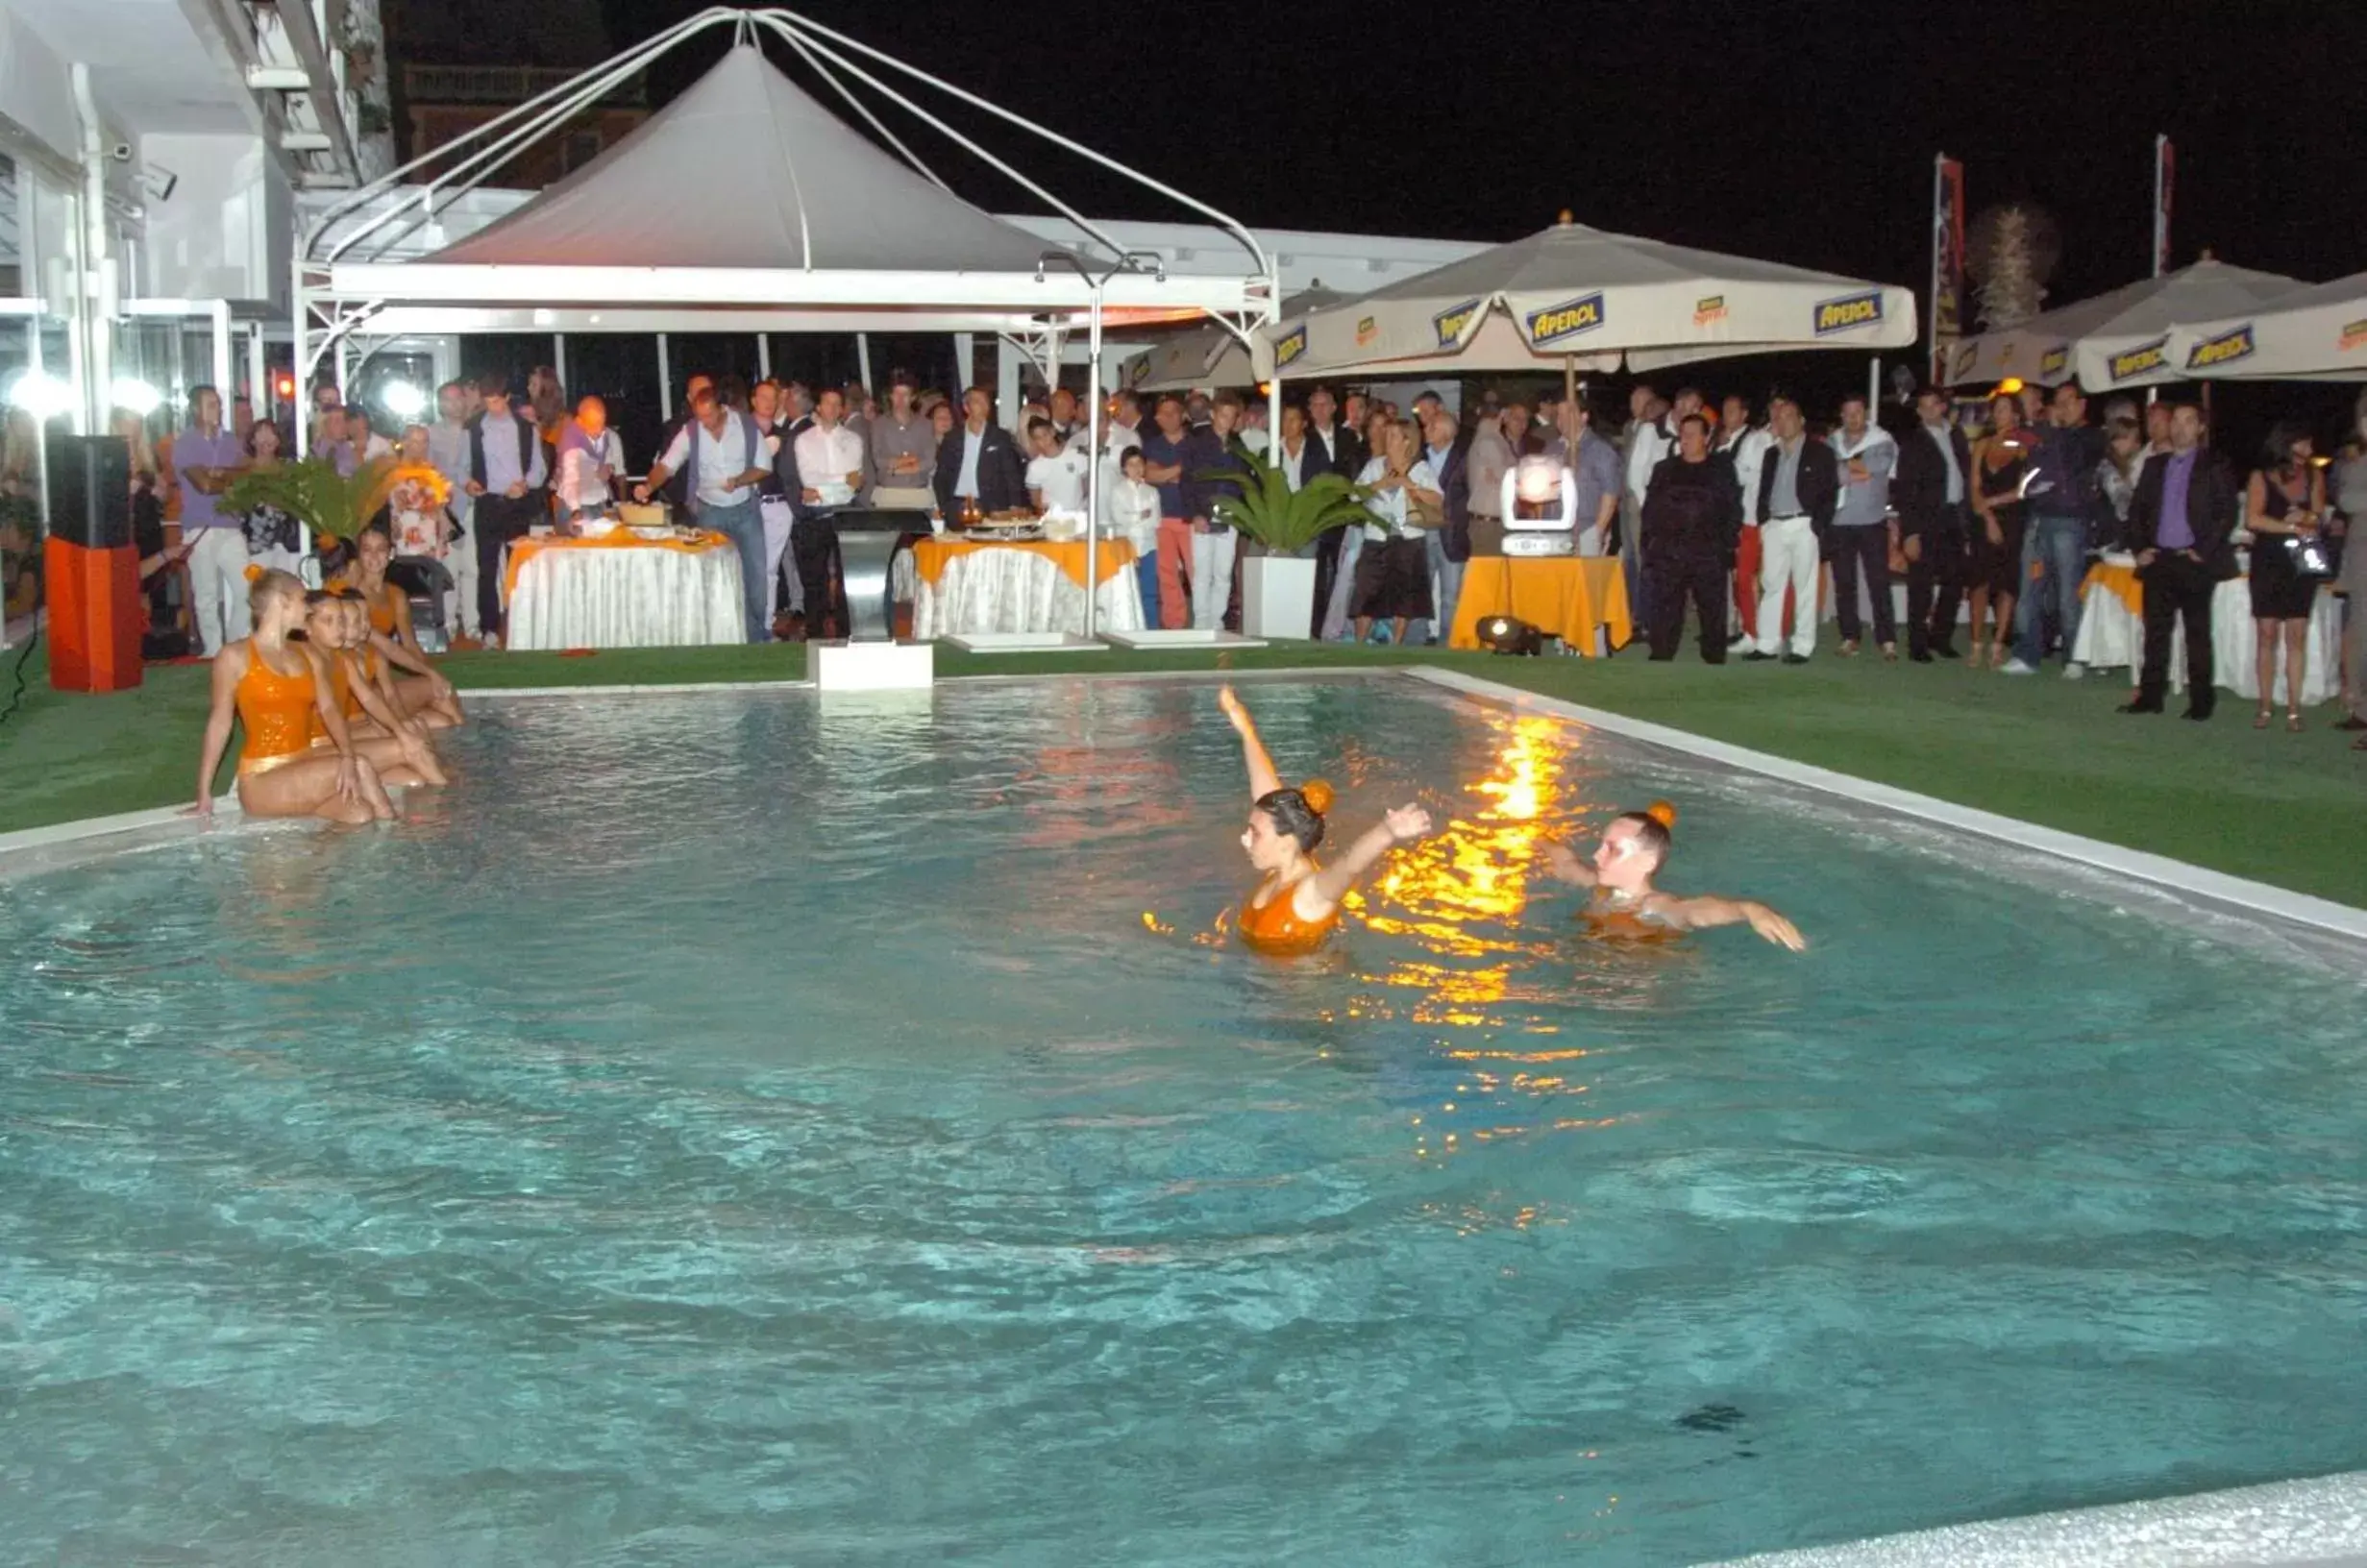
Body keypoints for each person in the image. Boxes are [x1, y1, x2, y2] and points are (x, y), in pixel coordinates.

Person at [1217, 685, 1432, 956]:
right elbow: (1267, 797)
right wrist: (1246, 730)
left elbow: (1349, 866)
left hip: (1293, 997)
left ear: (1288, 840)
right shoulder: (1280, 869)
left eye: (1255, 833)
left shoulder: (1311, 894)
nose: (1244, 838)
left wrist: (1387, 831)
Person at [190, 569, 395, 824]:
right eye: (302, 599)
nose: (308, 609)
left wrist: (346, 754)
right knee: (363, 767)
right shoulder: (234, 656)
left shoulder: (307, 655)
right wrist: (204, 792)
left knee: (360, 815)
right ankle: (399, 845)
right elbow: (220, 724)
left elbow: (330, 709)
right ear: (282, 601)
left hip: (305, 767)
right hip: (262, 779)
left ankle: (318, 861)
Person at [1537, 801, 1807, 949]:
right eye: (1601, 845)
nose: (1596, 855)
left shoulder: (1656, 906)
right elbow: (1566, 862)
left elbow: (1696, 912)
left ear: (1647, 861)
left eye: (1613, 849)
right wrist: (1531, 835)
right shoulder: (1599, 887)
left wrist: (1748, 909)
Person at [2120, 401, 2238, 720]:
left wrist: (2204, 548)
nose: (2180, 427)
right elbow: (2136, 513)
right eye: (2176, 421)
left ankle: (2201, 702)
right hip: (2159, 560)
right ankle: (2150, 697)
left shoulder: (2214, 464)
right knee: (2155, 633)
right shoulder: (2155, 466)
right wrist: (2139, 548)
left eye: (2189, 421)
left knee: (2197, 633)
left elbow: (2227, 512)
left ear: (2200, 428)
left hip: (2194, 561)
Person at [637, 384, 773, 643]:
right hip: (710, 513)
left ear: (722, 408)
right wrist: (648, 485)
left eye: (709, 416)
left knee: (756, 579)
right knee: (715, 578)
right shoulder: (691, 431)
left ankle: (757, 637)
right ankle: (722, 636)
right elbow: (667, 465)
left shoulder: (745, 425)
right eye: (700, 416)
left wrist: (740, 480)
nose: (705, 423)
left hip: (746, 511)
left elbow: (764, 467)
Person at [2005, 381, 2102, 676]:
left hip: (2069, 521)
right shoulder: (2045, 434)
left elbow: (2068, 466)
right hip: (2039, 518)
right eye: (2057, 402)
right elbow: (2031, 468)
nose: (2062, 408)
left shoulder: (2091, 436)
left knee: (2068, 593)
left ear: (2082, 404)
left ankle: (2075, 656)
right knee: (2029, 589)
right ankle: (2027, 653)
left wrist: (2056, 432)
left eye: (2068, 402)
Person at [2242, 423, 2330, 731]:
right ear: (2285, 445)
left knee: (2297, 633)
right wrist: (2290, 525)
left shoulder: (2315, 476)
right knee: (2266, 634)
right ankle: (2265, 706)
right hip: (2268, 559)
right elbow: (2252, 518)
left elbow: (2318, 516)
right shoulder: (2261, 476)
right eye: (2301, 445)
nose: (2307, 452)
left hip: (2301, 560)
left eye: (2309, 446)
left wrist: (2306, 518)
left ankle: (2294, 709)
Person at [1640, 412, 1743, 663]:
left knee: (1712, 607)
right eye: (1682, 435)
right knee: (1666, 606)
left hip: (1708, 550)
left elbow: (1733, 508)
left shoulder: (1721, 469)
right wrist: (1650, 545)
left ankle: (1713, 655)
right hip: (1670, 550)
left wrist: (1727, 544)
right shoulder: (1664, 469)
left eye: (1691, 435)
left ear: (1706, 438)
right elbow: (1651, 510)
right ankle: (1662, 652)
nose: (1685, 440)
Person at [342, 527, 465, 727]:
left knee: (442, 719)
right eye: (367, 549)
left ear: (390, 554)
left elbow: (410, 645)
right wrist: (429, 676)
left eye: (380, 549)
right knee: (438, 692)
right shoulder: (350, 595)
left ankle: (462, 739)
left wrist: (434, 674)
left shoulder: (396, 594)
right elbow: (386, 646)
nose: (374, 555)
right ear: (358, 555)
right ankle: (468, 740)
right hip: (361, 685)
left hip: (380, 679)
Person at [463, 376, 549, 647]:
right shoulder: (473, 428)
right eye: (487, 402)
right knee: (486, 569)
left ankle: (519, 625)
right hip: (487, 502)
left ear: (508, 398)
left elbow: (539, 470)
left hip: (516, 505)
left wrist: (525, 485)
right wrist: (468, 483)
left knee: (518, 567)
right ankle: (489, 629)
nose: (492, 407)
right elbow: (462, 466)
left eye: (497, 401)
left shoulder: (526, 429)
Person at [1750, 396, 1836, 663]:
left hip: (1803, 523)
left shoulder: (1819, 452)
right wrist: (1763, 521)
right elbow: (1764, 490)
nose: (1782, 422)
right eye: (1778, 418)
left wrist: (1817, 524)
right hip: (1775, 524)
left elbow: (1829, 492)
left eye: (1788, 417)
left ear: (1801, 421)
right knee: (1771, 584)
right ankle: (1767, 643)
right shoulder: (1771, 454)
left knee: (1805, 586)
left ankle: (1802, 645)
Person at [1892, 387, 1973, 663]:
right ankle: (1917, 643)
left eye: (1931, 406)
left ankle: (1941, 637)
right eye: (1922, 407)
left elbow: (1966, 476)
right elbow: (1904, 490)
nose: (1926, 411)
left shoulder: (1957, 435)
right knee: (1921, 584)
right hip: (1925, 519)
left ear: (1942, 407)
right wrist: (1910, 532)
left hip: (1953, 516)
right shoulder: (1913, 441)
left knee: (1955, 579)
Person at [174, 385, 250, 655]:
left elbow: (247, 475)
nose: (217, 409)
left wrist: (220, 475)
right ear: (196, 409)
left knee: (246, 588)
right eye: (210, 404)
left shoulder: (231, 441)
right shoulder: (185, 443)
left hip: (230, 525)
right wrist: (226, 480)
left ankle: (236, 643)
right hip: (199, 528)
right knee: (206, 594)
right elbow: (203, 485)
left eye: (218, 404)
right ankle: (213, 649)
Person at [1352, 418, 1442, 645]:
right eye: (1386, 434)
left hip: (1408, 538)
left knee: (1405, 595)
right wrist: (1380, 484)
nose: (1386, 439)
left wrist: (1408, 483)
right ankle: (1359, 643)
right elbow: (1354, 495)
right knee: (1366, 592)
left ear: (1406, 441)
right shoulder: (1374, 465)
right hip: (1376, 538)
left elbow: (1438, 499)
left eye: (1393, 435)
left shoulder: (1420, 468)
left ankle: (1396, 642)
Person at [1824, 393, 1898, 658]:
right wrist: (1857, 468)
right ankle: (1850, 636)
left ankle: (1887, 639)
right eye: (1848, 412)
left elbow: (1878, 466)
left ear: (1865, 413)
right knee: (1844, 583)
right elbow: (1831, 473)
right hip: (1840, 521)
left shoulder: (1882, 440)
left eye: (1857, 411)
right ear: (1841, 416)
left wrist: (1845, 468)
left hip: (1872, 520)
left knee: (1879, 581)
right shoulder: (1832, 442)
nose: (1853, 417)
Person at [1968, 392, 2032, 670]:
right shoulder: (1982, 444)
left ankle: (1997, 644)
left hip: (2012, 518)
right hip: (1984, 518)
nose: (2000, 414)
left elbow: (2023, 489)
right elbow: (1973, 486)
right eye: (1996, 409)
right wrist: (1987, 515)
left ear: (2017, 414)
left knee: (2006, 583)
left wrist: (1992, 504)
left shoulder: (2024, 445)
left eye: (2005, 409)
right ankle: (1976, 644)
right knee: (1979, 583)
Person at [1180, 391, 1252, 630]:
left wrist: (1241, 514)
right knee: (1202, 572)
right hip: (1203, 514)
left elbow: (1244, 482)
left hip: (1229, 516)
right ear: (1213, 415)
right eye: (1223, 416)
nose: (1227, 421)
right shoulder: (1196, 442)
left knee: (1223, 572)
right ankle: (1201, 620)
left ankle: (1216, 619)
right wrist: (1195, 515)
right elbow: (1186, 482)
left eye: (1232, 417)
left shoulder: (1237, 445)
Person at [1716, 395, 1773, 647]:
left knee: (1753, 578)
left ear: (1744, 415)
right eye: (1724, 410)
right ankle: (1747, 628)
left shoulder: (1757, 439)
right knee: (1739, 578)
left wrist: (1726, 459)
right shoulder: (1722, 442)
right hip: (1734, 520)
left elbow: (1748, 475)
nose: (1726, 415)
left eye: (1732, 410)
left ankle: (1759, 632)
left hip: (1753, 519)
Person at [426, 380, 481, 644]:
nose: (453, 404)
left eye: (457, 398)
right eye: (447, 400)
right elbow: (427, 473)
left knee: (472, 568)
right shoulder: (432, 434)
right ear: (439, 405)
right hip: (445, 510)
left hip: (475, 507)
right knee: (448, 569)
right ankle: (448, 623)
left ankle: (472, 622)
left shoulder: (477, 428)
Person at [1137, 394, 1194, 629]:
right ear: (1157, 418)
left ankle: (1202, 619)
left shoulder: (1195, 443)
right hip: (1161, 517)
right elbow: (1149, 475)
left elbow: (1193, 476)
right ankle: (1174, 623)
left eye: (1173, 412)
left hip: (1190, 517)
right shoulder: (1151, 445)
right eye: (1163, 413)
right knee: (1167, 574)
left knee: (1196, 572)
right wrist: (1179, 471)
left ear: (1183, 415)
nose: (1168, 417)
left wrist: (1164, 473)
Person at [932, 385, 1027, 522]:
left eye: (986, 402)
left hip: (990, 505)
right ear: (966, 407)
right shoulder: (952, 438)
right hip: (957, 504)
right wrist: (944, 506)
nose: (983, 406)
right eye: (977, 402)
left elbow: (1011, 473)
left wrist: (1015, 504)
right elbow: (941, 475)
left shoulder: (1000, 437)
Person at [1418, 405, 1473, 643]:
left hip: (1452, 534)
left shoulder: (1465, 458)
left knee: (1451, 595)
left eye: (1432, 426)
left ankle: (1447, 642)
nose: (1426, 429)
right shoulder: (1418, 455)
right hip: (1421, 530)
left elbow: (1469, 494)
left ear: (1447, 432)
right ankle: (1417, 639)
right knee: (1420, 589)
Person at [2332, 391, 2367, 742]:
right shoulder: (2356, 463)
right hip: (2359, 557)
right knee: (2358, 633)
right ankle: (2361, 708)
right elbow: (2345, 499)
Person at [1104, 446, 1164, 624]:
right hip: (1126, 547)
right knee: (1128, 591)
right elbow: (1119, 518)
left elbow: (1155, 520)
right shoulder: (1118, 491)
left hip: (1148, 546)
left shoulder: (1152, 492)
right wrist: (1139, 516)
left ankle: (1151, 630)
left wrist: (1134, 518)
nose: (1136, 468)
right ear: (1124, 468)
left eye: (1139, 463)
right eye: (1131, 464)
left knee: (1149, 592)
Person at [554, 396, 626, 522]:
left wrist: (609, 468)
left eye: (601, 423)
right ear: (580, 422)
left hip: (599, 503)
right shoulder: (571, 443)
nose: (599, 430)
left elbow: (609, 463)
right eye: (594, 425)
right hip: (575, 507)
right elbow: (570, 481)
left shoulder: (607, 436)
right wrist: (575, 510)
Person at [869, 373, 937, 504]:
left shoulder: (926, 424)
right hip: (887, 493)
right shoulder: (878, 424)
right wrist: (911, 460)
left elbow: (928, 461)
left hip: (918, 493)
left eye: (905, 395)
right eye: (896, 394)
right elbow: (878, 460)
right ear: (890, 396)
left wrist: (896, 470)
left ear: (913, 398)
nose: (900, 399)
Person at [1024, 417, 1092, 515]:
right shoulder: (1034, 467)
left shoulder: (1076, 456)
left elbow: (1087, 486)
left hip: (1077, 517)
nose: (1043, 441)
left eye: (1045, 435)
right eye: (1038, 438)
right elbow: (1036, 500)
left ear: (1052, 432)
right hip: (1052, 520)